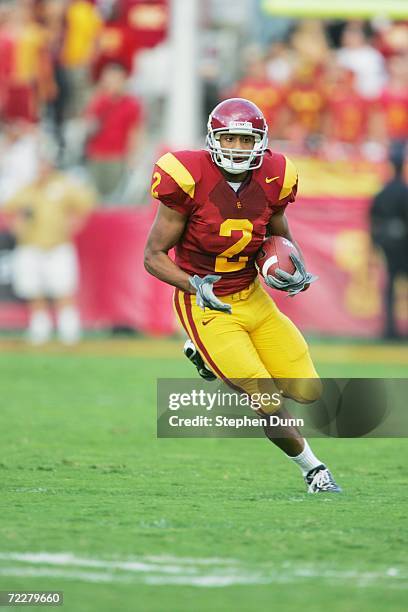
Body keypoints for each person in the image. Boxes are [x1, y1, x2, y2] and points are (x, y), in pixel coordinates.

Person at [144, 98, 341, 494]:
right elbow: (152, 256)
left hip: (251, 296)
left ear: (261, 143)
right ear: (213, 140)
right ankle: (313, 470)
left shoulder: (276, 175)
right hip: (205, 302)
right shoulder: (187, 175)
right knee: (264, 397)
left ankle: (207, 357)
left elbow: (278, 233)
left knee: (308, 390)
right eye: (228, 138)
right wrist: (194, 285)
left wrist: (290, 267)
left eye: (245, 140)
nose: (236, 148)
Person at [3, 140, 96, 345]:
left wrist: (73, 224)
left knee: (63, 287)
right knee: (33, 289)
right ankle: (40, 329)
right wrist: (17, 225)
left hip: (58, 244)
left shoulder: (63, 184)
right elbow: (9, 209)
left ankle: (68, 330)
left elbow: (85, 204)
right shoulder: (26, 189)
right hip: (30, 244)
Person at [370, 144, 408, 339]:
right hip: (404, 245)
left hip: (388, 244)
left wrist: (375, 243)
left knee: (391, 286)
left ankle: (390, 329)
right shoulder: (404, 191)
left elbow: (373, 219)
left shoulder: (383, 192)